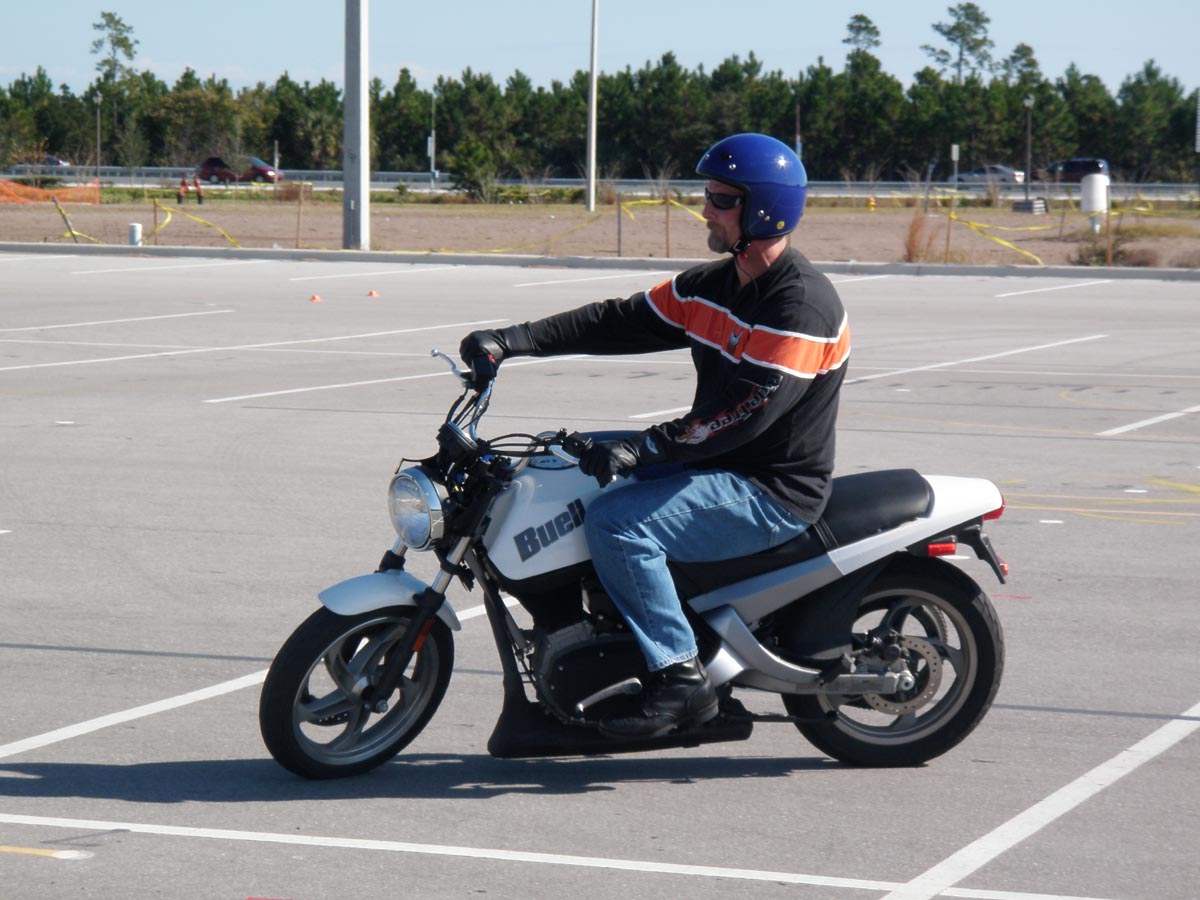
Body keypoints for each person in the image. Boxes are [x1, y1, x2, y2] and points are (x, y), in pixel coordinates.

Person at [459, 133, 850, 739]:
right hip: (714, 461)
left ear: (764, 210)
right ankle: (579, 629)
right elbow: (619, 320)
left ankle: (680, 678)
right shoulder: (715, 286)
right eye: (707, 195)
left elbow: (747, 411)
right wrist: (512, 341)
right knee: (560, 465)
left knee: (618, 523)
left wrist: (646, 447)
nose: (705, 209)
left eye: (722, 199)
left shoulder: (800, 307)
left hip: (768, 488)